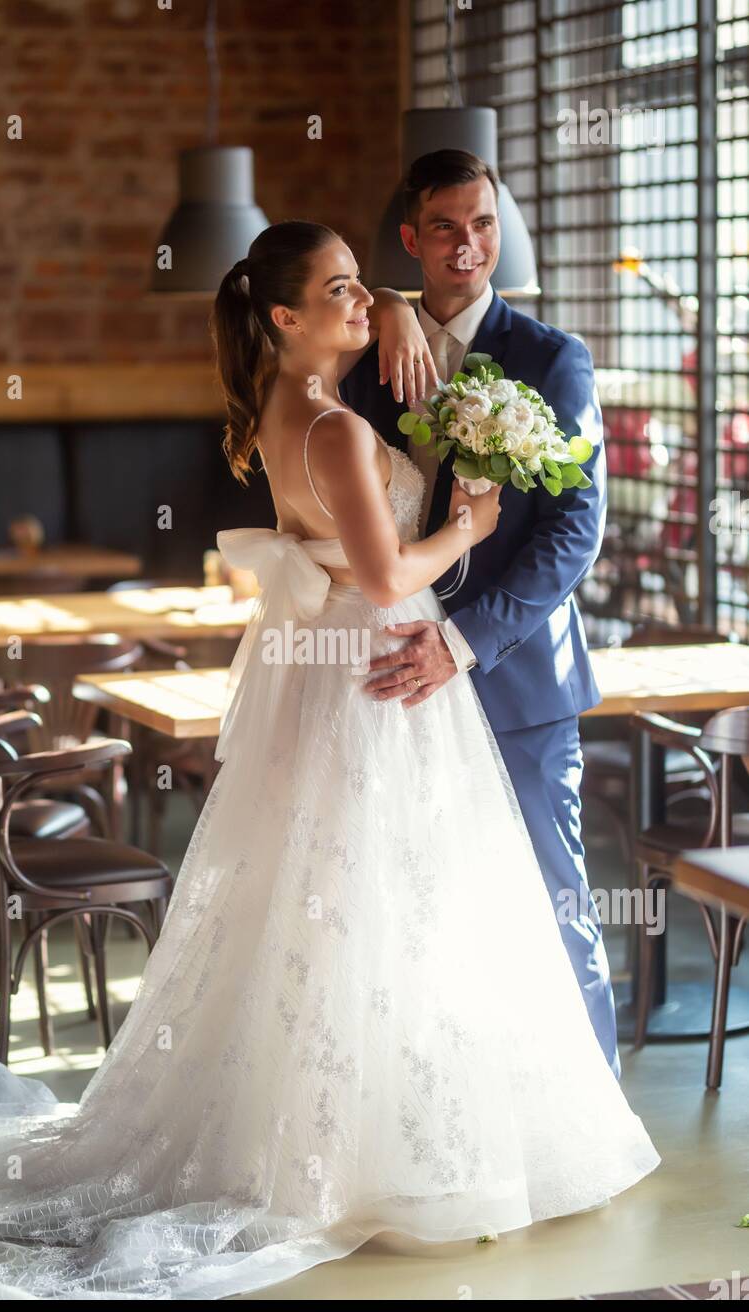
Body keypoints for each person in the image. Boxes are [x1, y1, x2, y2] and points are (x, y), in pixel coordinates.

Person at [0, 220, 660, 1302]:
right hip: (379, 659)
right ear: (286, 317)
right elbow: (389, 574)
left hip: (339, 671)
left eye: (361, 283)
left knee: (347, 900)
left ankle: (344, 1129)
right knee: (396, 897)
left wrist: (388, 307)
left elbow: (354, 516)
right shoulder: (335, 431)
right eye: (340, 289)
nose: (363, 300)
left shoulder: (289, 410)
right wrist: (470, 526)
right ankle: (376, 1152)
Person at [340, 149, 621, 1076]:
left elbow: (575, 530)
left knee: (552, 896)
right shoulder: (369, 365)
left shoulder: (552, 358)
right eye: (449, 228)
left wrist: (465, 640)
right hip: (396, 679)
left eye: (485, 224)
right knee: (416, 908)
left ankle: (597, 1108)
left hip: (518, 681)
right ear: (414, 239)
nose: (470, 246)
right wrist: (383, 306)